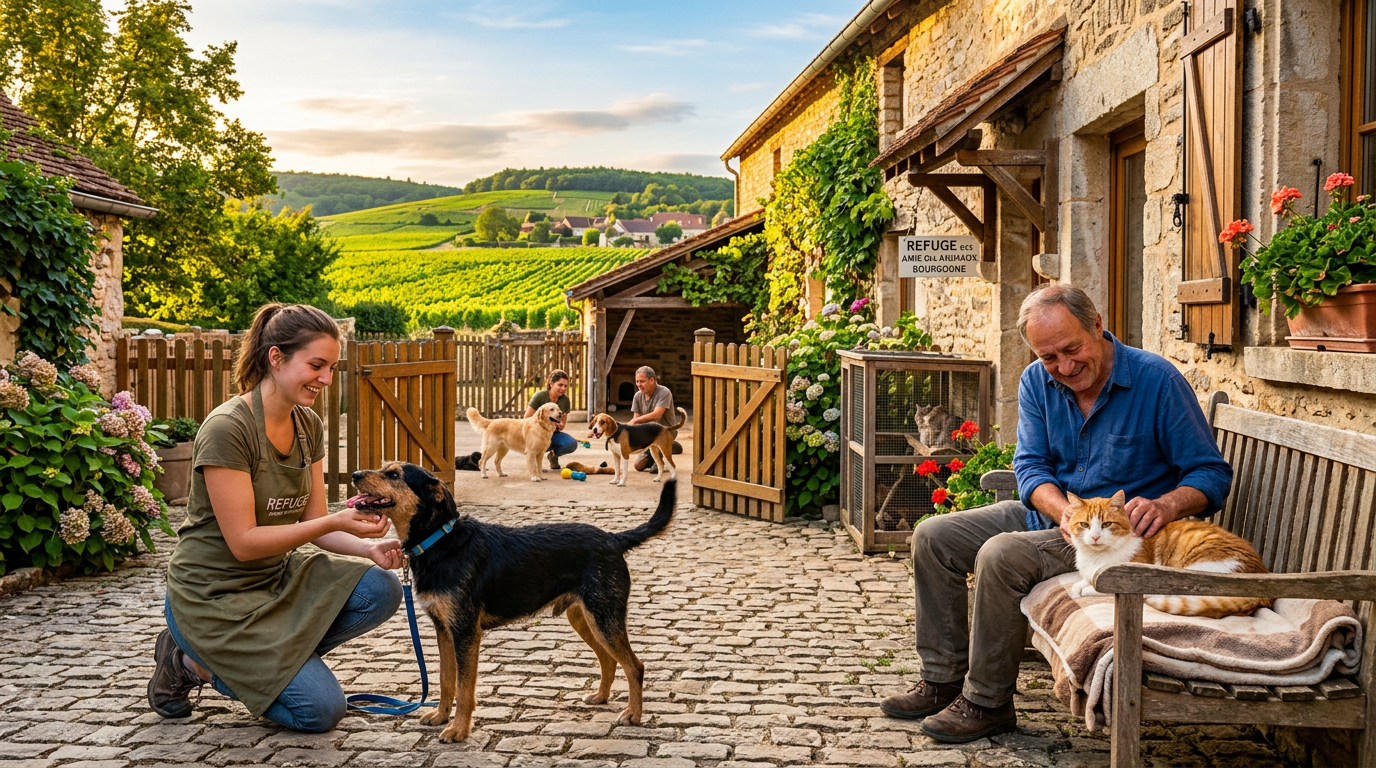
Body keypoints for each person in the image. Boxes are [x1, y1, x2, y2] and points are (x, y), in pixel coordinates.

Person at [880, 284, 1232, 743]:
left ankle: (987, 702)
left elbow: (1210, 473)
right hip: (1057, 519)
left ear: (1098, 326)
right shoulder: (1034, 382)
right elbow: (1030, 468)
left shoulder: (1156, 381)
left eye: (1072, 349)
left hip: (1115, 543)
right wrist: (1063, 511)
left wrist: (1166, 504)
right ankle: (943, 678)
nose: (1063, 368)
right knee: (932, 535)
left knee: (1001, 555)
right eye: (1049, 357)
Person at [148, 304, 405, 733]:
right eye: (316, 365)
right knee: (320, 712)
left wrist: (367, 547)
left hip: (274, 582)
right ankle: (188, 659)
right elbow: (244, 542)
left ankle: (274, 661)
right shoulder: (228, 428)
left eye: (331, 367)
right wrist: (336, 523)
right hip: (214, 596)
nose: (326, 379)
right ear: (276, 358)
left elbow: (317, 520)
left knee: (380, 588)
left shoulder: (309, 424)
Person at [627, 365, 683, 471]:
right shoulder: (638, 396)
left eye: (642, 381)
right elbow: (636, 418)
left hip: (666, 432)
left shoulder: (664, 392)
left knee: (655, 470)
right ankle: (671, 446)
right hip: (649, 434)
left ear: (652, 380)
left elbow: (657, 414)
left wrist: (635, 421)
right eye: (637, 381)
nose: (639, 385)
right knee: (638, 466)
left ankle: (667, 445)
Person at [525, 369, 576, 470]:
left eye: (565, 386)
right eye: (560, 385)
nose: (563, 388)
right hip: (536, 435)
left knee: (571, 444)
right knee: (537, 444)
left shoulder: (565, 400)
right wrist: (546, 423)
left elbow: (562, 424)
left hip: (552, 434)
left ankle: (553, 456)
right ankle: (535, 461)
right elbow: (526, 419)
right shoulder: (540, 396)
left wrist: (560, 425)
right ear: (551, 383)